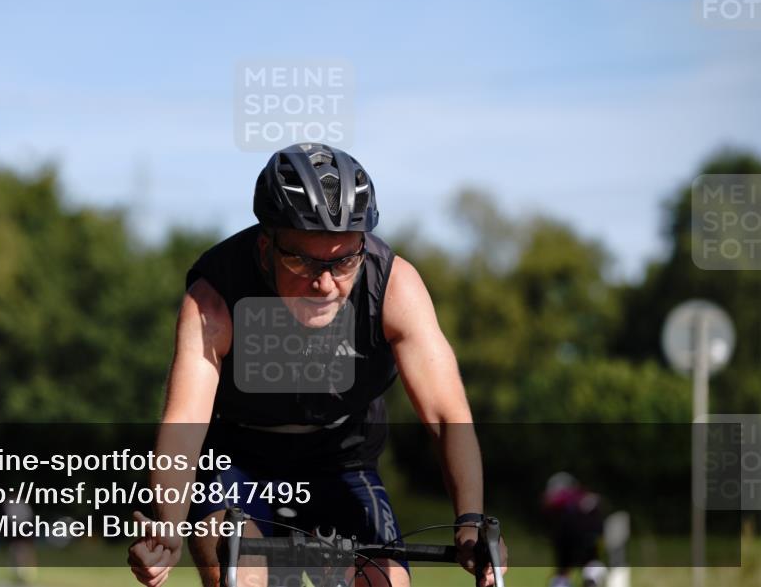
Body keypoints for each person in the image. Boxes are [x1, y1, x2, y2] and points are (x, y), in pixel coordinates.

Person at [128, 143, 507, 587]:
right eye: (302, 260)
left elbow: (446, 415)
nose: (325, 283)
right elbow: (185, 420)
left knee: (385, 583)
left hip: (341, 460)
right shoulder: (216, 297)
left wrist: (470, 517)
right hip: (238, 462)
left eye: (344, 259)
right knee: (241, 576)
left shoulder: (393, 287)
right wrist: (168, 524)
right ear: (266, 245)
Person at [542, 472, 606, 587]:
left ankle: (561, 582)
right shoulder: (584, 497)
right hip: (588, 535)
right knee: (591, 560)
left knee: (563, 567)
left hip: (565, 534)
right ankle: (591, 576)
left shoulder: (556, 498)